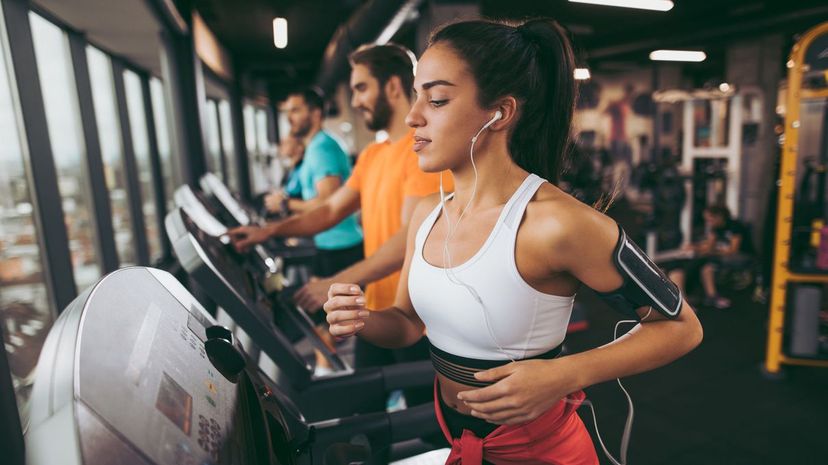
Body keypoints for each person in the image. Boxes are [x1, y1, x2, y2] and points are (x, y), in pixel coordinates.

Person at [323, 18, 703, 464]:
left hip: (542, 452)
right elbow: (407, 323)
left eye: (438, 99)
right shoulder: (429, 213)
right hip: (463, 444)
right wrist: (362, 319)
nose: (413, 117)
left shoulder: (556, 223)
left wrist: (562, 374)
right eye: (417, 95)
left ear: (499, 113)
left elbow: (682, 327)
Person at [228, 44, 452, 385]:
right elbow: (331, 208)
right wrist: (267, 232)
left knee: (425, 430)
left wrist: (338, 280)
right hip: (377, 310)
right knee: (364, 414)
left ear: (392, 86)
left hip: (416, 317)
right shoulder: (373, 155)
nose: (356, 100)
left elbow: (411, 236)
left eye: (362, 88)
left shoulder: (421, 152)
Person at [262, 89, 364, 277]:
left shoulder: (322, 148)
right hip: (329, 242)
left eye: (295, 111)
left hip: (340, 246)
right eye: (287, 111)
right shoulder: (315, 146)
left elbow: (327, 204)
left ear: (316, 114)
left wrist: (284, 204)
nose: (289, 117)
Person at [668, 205, 753, 309]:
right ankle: (710, 296)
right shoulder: (715, 227)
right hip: (722, 255)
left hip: (741, 256)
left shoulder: (735, 226)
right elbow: (709, 246)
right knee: (706, 266)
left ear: (720, 217)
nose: (709, 223)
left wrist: (710, 251)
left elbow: (732, 250)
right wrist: (695, 247)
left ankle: (686, 296)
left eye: (711, 219)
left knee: (703, 260)